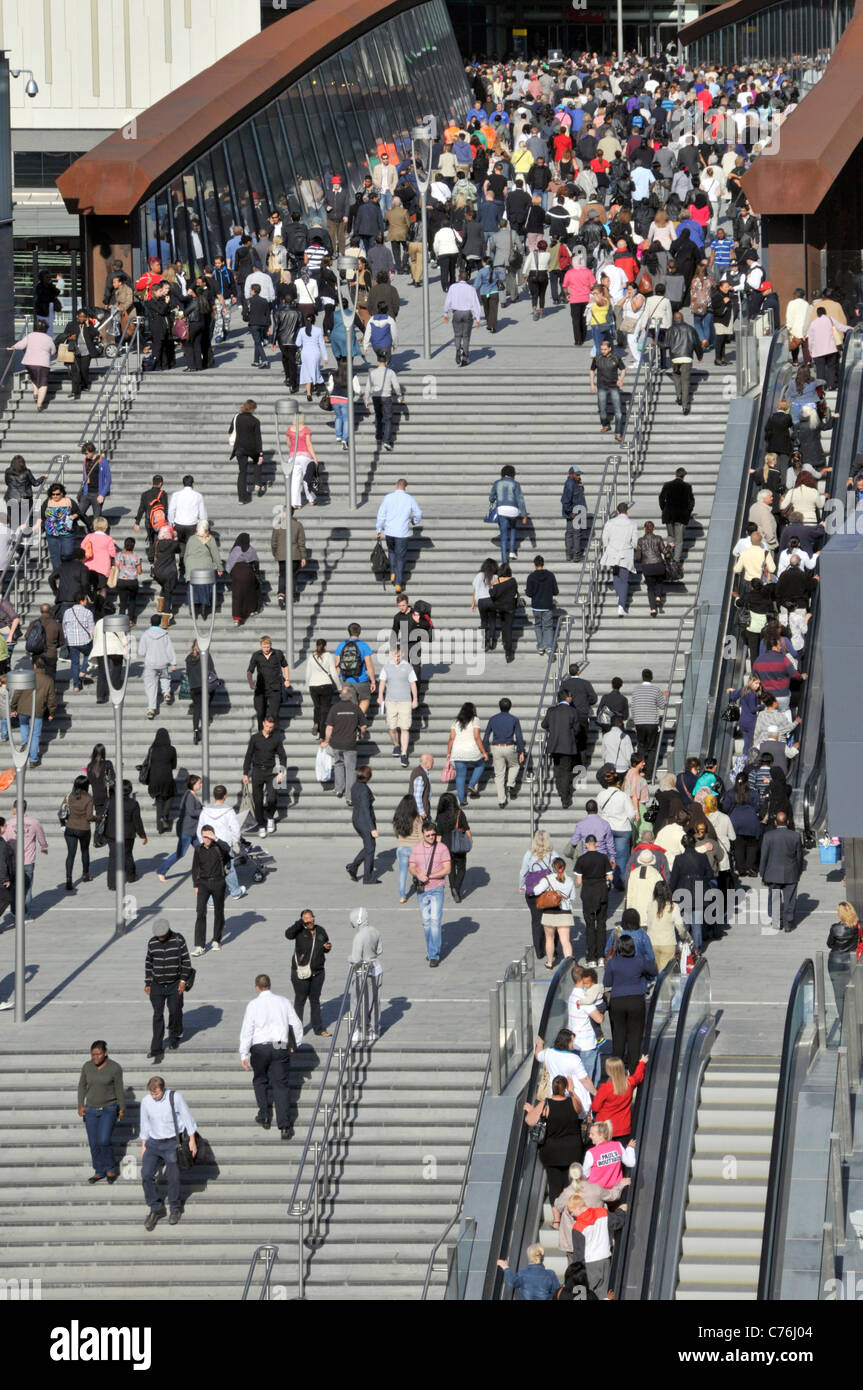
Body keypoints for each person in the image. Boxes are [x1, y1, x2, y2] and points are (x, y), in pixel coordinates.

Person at [239, 973, 304, 1139]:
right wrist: (295, 1045)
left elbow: (247, 1030)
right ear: (269, 985)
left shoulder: (253, 1005)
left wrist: (244, 1053)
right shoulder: (283, 1001)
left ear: (257, 988)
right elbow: (296, 1024)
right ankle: (284, 1126)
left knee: (260, 1080)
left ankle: (264, 1115)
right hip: (279, 1045)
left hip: (260, 1046)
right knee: (280, 1086)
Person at [139, 1074, 197, 1229]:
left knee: (173, 1177)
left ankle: (175, 1208)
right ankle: (156, 1208)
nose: (154, 1096)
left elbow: (187, 1118)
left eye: (156, 1093)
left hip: (172, 1142)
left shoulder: (175, 1097)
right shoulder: (146, 1101)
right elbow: (144, 1122)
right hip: (153, 1143)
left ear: (163, 1089)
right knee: (146, 1175)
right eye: (152, 1093)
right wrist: (144, 1144)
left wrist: (192, 1140)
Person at [524, 1074, 587, 1206]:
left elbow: (530, 1121)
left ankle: (557, 1218)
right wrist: (572, 1091)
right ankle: (571, 1211)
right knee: (571, 1183)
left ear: (552, 1087)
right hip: (572, 1151)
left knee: (554, 1185)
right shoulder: (572, 1102)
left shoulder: (545, 1104)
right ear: (564, 1088)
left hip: (551, 1152)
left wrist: (532, 1110)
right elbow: (580, 1109)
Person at [603, 935, 657, 1073]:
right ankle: (633, 1074)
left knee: (619, 1038)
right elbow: (654, 971)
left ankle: (617, 1075)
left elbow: (607, 982)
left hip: (618, 1001)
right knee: (635, 1038)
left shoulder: (613, 962)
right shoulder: (640, 960)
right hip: (636, 1001)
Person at [144, 917, 192, 1061]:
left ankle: (175, 1035)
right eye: (158, 936)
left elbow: (186, 961)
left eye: (162, 936)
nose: (160, 938)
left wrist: (183, 981)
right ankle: (156, 1047)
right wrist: (147, 982)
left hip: (174, 984)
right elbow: (148, 962)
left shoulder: (178, 940)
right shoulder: (152, 943)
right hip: (157, 985)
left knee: (174, 1011)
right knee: (157, 1015)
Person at [77, 1040, 125, 1185]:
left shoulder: (115, 1068)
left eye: (98, 1054)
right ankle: (99, 1171)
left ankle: (110, 1168)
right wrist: (80, 1105)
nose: (95, 1057)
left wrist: (122, 1108)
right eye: (93, 1055)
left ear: (105, 1053)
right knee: (93, 1143)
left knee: (103, 1140)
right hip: (90, 1110)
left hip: (108, 1109)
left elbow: (119, 1089)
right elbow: (81, 1086)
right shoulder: (87, 1066)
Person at [408, 819, 452, 967]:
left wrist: (431, 876)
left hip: (437, 888)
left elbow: (447, 869)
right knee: (426, 922)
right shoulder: (416, 849)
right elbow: (411, 866)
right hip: (422, 890)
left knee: (434, 922)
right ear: (423, 834)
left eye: (433, 835)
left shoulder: (442, 848)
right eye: (428, 835)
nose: (431, 837)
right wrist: (418, 875)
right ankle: (430, 950)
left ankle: (434, 955)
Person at [285, 908, 332, 1037]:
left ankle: (319, 1029)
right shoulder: (299, 931)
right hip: (301, 973)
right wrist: (300, 923)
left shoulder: (320, 930)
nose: (309, 920)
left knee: (315, 1000)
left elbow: (325, 943)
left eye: (310, 917)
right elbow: (288, 934)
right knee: (300, 1001)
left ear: (314, 918)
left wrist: (327, 947)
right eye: (305, 918)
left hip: (318, 973)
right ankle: (296, 1030)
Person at [759, 810, 803, 933]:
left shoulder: (768, 836)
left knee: (774, 897)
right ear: (787, 822)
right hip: (791, 872)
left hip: (772, 873)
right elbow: (799, 857)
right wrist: (798, 872)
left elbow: (764, 857)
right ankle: (788, 922)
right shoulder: (795, 836)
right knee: (789, 899)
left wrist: (762, 874)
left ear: (775, 822)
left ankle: (776, 921)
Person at [242, 715, 287, 837]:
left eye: (271, 727)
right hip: (257, 771)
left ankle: (270, 817)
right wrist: (245, 773)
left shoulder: (276, 739)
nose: (268, 729)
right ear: (263, 724)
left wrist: (281, 772)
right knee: (258, 800)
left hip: (271, 772)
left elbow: (283, 756)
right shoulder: (255, 738)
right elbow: (248, 755)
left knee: (272, 798)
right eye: (267, 726)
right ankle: (261, 825)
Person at [2, 802, 47, 920]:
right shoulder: (34, 822)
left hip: (13, 863)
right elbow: (41, 837)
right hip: (28, 861)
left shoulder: (8, 823)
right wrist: (44, 847)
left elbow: (4, 842)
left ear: (16, 809)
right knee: (26, 889)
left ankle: (14, 911)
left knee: (13, 888)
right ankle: (25, 915)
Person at [574, 836, 614, 967]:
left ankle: (591, 958)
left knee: (590, 925)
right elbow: (610, 877)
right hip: (601, 892)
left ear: (586, 844)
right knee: (601, 924)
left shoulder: (581, 859)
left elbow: (579, 882)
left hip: (588, 894)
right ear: (596, 844)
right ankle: (601, 956)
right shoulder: (603, 858)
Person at [375, 479, 421, 592]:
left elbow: (381, 514)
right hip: (402, 533)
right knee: (400, 558)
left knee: (391, 552)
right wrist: (414, 521)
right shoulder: (409, 498)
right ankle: (398, 583)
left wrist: (379, 528)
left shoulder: (388, 497)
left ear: (396, 486)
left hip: (389, 532)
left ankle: (392, 572)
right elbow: (419, 513)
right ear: (406, 487)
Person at [592, 1054, 647, 1146]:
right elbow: (638, 1076)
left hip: (605, 1128)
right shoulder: (630, 1082)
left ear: (609, 1071)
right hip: (623, 1127)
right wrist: (642, 1063)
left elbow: (595, 1107)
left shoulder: (605, 1088)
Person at [191, 824, 229, 955]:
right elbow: (195, 868)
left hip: (218, 882)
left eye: (208, 836)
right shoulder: (198, 849)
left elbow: (228, 849)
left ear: (212, 836)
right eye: (204, 836)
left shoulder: (218, 847)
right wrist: (195, 885)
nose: (206, 839)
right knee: (200, 912)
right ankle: (199, 945)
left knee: (219, 912)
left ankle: (216, 940)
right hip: (203, 883)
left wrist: (216, 839)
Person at [348, 905, 383, 1041]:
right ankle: (374, 1029)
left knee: (357, 1001)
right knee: (374, 1001)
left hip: (363, 971)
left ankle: (359, 1029)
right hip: (377, 968)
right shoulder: (375, 931)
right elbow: (379, 950)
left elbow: (356, 959)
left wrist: (348, 958)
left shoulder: (359, 937)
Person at [541, 688, 581, 810]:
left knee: (558, 769)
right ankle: (565, 798)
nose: (571, 698)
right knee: (565, 772)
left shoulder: (551, 711)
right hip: (567, 745)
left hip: (554, 745)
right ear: (567, 698)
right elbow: (577, 729)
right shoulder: (572, 711)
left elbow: (544, 725)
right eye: (570, 696)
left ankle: (560, 790)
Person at [378, 646, 418, 766]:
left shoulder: (407, 666)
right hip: (391, 701)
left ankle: (404, 753)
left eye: (399, 655)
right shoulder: (386, 666)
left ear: (403, 654)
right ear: (391, 655)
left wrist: (415, 699)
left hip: (405, 701)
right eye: (395, 655)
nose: (397, 658)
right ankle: (396, 745)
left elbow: (413, 684)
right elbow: (382, 682)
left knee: (405, 728)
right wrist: (380, 696)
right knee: (392, 727)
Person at [483, 696, 525, 809]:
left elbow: (486, 735)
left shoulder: (493, 719)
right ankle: (510, 784)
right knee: (515, 765)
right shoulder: (514, 719)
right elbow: (519, 736)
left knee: (499, 774)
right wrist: (521, 751)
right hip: (509, 746)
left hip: (496, 747)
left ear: (499, 706)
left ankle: (502, 800)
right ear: (510, 707)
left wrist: (484, 750)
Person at [157, 775, 202, 881]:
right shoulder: (189, 796)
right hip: (187, 830)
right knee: (180, 853)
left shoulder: (192, 794)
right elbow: (192, 812)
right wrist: (203, 811)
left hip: (193, 829)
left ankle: (206, 871)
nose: (201, 785)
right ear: (193, 784)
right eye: (199, 783)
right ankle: (161, 870)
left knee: (201, 850)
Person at [105, 779, 147, 890]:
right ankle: (131, 876)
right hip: (127, 834)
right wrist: (142, 835)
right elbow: (137, 821)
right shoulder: (133, 804)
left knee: (113, 857)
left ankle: (112, 884)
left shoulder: (110, 801)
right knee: (128, 854)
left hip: (111, 833)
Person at [8, 318, 56, 411]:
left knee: (34, 376)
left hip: (29, 362)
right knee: (43, 384)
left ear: (35, 327)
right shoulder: (49, 338)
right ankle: (39, 404)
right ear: (46, 329)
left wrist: (14, 346)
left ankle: (35, 392)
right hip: (43, 363)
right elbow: (53, 352)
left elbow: (21, 345)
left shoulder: (30, 335)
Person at [601, 500, 638, 616]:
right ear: (627, 511)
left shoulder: (610, 522)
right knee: (624, 579)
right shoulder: (632, 524)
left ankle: (620, 596)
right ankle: (621, 604)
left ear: (617, 511)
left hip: (613, 552)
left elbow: (604, 538)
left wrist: (609, 547)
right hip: (625, 553)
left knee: (616, 575)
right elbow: (635, 542)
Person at [247, 634, 291, 731]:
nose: (266, 649)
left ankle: (273, 733)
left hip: (275, 688)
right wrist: (251, 683)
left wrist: (287, 679)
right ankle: (261, 733)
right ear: (260, 646)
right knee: (260, 712)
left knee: (274, 713)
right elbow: (250, 671)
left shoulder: (278, 654)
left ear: (271, 645)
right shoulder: (256, 655)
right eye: (264, 647)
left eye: (268, 647)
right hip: (261, 688)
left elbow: (285, 666)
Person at [334, 623, 375, 724]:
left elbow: (337, 665)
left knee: (351, 703)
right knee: (365, 699)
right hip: (361, 679)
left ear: (349, 632)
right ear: (359, 632)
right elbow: (369, 665)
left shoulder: (341, 645)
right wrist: (373, 681)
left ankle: (352, 721)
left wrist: (337, 680)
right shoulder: (364, 645)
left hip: (345, 679)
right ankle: (357, 719)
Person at [346, 765, 380, 885]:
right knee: (370, 848)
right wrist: (372, 829)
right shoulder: (365, 789)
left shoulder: (355, 785)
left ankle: (354, 868)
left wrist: (371, 798)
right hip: (364, 821)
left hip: (356, 819)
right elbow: (366, 810)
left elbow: (359, 799)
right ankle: (366, 876)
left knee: (369, 847)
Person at [826, 902, 861, 1021]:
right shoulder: (857, 926)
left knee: (839, 995)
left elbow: (829, 944)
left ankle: (843, 1020)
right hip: (851, 962)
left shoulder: (835, 928)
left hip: (835, 963)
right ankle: (854, 1017)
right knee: (853, 991)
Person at [138, 613, 176, 718]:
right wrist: (173, 662)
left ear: (150, 622)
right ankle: (166, 692)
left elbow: (141, 652)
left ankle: (151, 708)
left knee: (151, 686)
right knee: (165, 677)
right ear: (160, 623)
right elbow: (169, 649)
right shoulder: (165, 634)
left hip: (150, 663)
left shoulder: (145, 634)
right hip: (163, 662)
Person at [488, 464, 528, 567]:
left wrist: (493, 499)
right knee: (513, 528)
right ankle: (512, 551)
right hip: (513, 510)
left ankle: (505, 561)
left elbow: (491, 497)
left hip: (501, 510)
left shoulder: (497, 483)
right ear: (513, 474)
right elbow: (520, 500)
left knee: (503, 534)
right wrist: (524, 515)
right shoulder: (516, 484)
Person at [435, 791, 471, 904]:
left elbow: (439, 835)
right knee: (461, 868)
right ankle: (456, 887)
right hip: (459, 845)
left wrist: (437, 850)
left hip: (445, 846)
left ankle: (453, 888)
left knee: (450, 869)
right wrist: (470, 842)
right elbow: (467, 830)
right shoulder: (460, 813)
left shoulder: (440, 817)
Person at [443, 267, 482, 366]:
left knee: (457, 335)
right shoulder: (471, 289)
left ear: (459, 278)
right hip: (467, 313)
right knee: (466, 336)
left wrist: (445, 313)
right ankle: (465, 357)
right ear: (467, 278)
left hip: (456, 313)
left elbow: (448, 301)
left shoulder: (453, 287)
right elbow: (476, 304)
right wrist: (478, 318)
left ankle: (457, 350)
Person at [630, 668, 668, 769]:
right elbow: (662, 706)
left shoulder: (636, 690)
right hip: (652, 723)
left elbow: (633, 708)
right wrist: (664, 697)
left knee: (641, 748)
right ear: (651, 678)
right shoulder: (656, 690)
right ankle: (649, 774)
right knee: (652, 749)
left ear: (642, 677)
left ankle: (640, 770)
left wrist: (635, 723)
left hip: (639, 723)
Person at [589, 339, 626, 440]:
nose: (603, 351)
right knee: (602, 409)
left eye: (605, 349)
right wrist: (592, 384)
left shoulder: (616, 358)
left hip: (614, 386)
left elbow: (623, 369)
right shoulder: (597, 358)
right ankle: (606, 425)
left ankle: (618, 433)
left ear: (610, 349)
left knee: (618, 411)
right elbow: (592, 371)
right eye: (601, 349)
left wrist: (621, 379)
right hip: (602, 387)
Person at [647, 881, 688, 972]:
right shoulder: (673, 907)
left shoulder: (650, 905)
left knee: (655, 971)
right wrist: (684, 936)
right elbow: (680, 926)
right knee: (666, 974)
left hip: (652, 942)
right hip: (667, 943)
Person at [229, 399, 265, 504]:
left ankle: (242, 499)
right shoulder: (255, 421)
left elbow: (230, 432)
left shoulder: (236, 417)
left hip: (239, 448)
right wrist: (261, 454)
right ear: (252, 409)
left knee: (242, 473)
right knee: (258, 460)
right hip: (252, 449)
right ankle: (257, 483)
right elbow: (258, 438)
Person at [63, 774, 94, 891]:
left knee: (70, 854)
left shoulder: (70, 796)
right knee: (84, 851)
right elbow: (90, 817)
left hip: (70, 828)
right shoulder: (89, 798)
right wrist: (98, 818)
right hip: (84, 828)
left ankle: (68, 879)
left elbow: (63, 810)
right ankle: (85, 874)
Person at [658, 467, 695, 568]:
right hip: (681, 516)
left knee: (670, 535)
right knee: (679, 540)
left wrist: (664, 509)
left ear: (676, 475)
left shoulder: (667, 485)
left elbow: (661, 498)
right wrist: (688, 512)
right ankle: (676, 561)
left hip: (669, 515)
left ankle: (668, 553)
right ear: (684, 476)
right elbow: (691, 502)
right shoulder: (687, 486)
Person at [525, 554, 559, 656]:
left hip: (536, 606)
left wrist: (527, 591)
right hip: (547, 605)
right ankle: (548, 647)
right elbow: (555, 591)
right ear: (543, 564)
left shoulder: (531, 576)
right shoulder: (550, 575)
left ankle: (540, 647)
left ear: (534, 564)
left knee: (538, 626)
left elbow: (529, 593)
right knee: (548, 627)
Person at [225, 532, 261, 626]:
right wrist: (257, 572)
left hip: (237, 572)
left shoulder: (236, 549)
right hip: (248, 573)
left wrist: (229, 574)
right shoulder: (251, 549)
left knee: (237, 596)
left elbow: (230, 563)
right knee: (250, 592)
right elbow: (256, 562)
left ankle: (236, 619)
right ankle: (252, 610)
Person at [78, 441, 112, 524]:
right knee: (79, 513)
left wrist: (102, 494)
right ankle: (90, 525)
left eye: (86, 453)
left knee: (97, 518)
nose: (86, 455)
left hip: (97, 493)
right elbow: (84, 475)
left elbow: (108, 479)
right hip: (87, 492)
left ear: (92, 451)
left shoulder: (102, 461)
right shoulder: (85, 460)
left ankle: (95, 532)